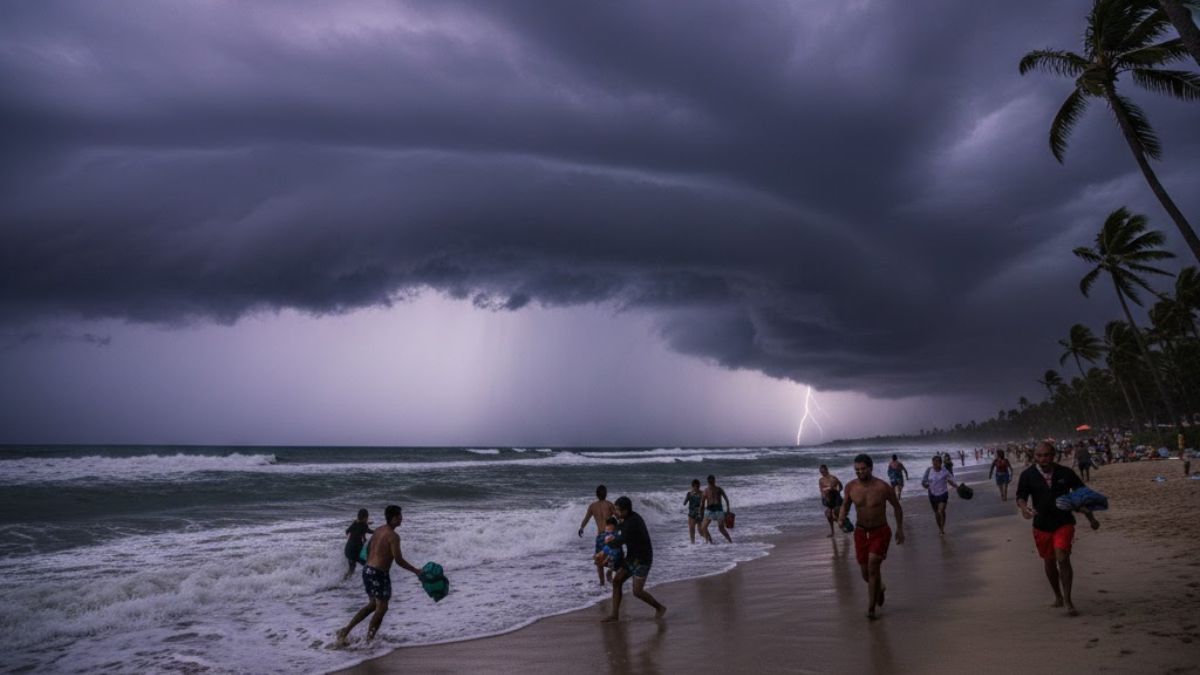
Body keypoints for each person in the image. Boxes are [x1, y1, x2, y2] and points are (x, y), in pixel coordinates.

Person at [1016, 441, 1100, 617]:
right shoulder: (1028, 475)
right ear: (1035, 457)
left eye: (1046, 455)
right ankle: (1058, 596)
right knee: (1049, 561)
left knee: (1062, 557)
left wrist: (1091, 517)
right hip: (1041, 525)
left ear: (1053, 455)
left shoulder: (1065, 473)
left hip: (1063, 522)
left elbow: (1082, 494)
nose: (1043, 459)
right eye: (1039, 456)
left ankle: (1068, 601)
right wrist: (1024, 509)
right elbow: (1021, 497)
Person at [336, 505, 421, 645]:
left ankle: (345, 631)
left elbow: (368, 548)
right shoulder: (393, 536)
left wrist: (372, 561)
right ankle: (369, 641)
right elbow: (398, 560)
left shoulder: (379, 530)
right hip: (378, 573)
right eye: (399, 516)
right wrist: (416, 571)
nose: (402, 518)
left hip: (368, 570)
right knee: (382, 608)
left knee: (372, 605)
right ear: (393, 518)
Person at [837, 454, 904, 620]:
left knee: (873, 565)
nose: (859, 472)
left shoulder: (882, 487)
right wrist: (841, 518)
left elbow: (897, 507)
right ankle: (879, 588)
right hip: (860, 533)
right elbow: (845, 505)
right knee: (865, 574)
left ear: (870, 468)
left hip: (880, 532)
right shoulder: (851, 487)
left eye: (863, 469)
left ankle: (871, 609)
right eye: (857, 470)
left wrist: (900, 529)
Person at [603, 496, 666, 622]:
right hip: (632, 557)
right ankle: (614, 615)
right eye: (616, 509)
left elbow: (619, 541)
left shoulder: (633, 522)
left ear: (626, 510)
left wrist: (609, 542)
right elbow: (618, 533)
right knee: (617, 581)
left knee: (637, 591)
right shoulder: (624, 519)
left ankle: (660, 608)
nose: (616, 512)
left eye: (618, 510)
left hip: (643, 559)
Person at [578, 485, 617, 586]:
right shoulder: (609, 505)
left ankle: (602, 583)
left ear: (596, 494)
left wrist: (581, 528)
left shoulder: (592, 506)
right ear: (606, 493)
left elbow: (586, 518)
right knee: (613, 557)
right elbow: (618, 517)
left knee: (599, 561)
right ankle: (609, 574)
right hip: (609, 535)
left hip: (599, 536)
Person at [922, 455, 960, 536]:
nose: (934, 465)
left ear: (940, 463)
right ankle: (940, 528)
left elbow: (951, 480)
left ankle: (942, 528)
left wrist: (957, 487)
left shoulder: (944, 471)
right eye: (933, 463)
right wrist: (925, 485)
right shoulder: (929, 470)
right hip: (932, 494)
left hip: (943, 493)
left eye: (936, 463)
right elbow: (924, 481)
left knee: (941, 510)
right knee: (936, 513)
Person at [342, 509, 374, 580]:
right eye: (367, 517)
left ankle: (342, 582)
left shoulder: (355, 523)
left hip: (348, 549)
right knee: (368, 564)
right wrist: (377, 531)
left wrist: (366, 524)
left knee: (351, 569)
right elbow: (368, 531)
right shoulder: (364, 526)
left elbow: (348, 531)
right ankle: (370, 580)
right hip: (355, 550)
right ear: (365, 518)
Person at [700, 474, 732, 543]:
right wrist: (701, 512)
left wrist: (728, 509)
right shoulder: (706, 491)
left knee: (721, 528)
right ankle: (710, 541)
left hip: (718, 509)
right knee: (703, 527)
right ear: (708, 481)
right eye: (711, 481)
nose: (712, 482)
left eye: (712, 481)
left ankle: (730, 541)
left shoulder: (719, 489)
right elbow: (702, 503)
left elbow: (726, 499)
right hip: (709, 510)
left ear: (714, 481)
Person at [818, 465, 845, 537]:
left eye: (823, 471)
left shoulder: (833, 478)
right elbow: (821, 490)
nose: (822, 473)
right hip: (828, 500)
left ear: (827, 470)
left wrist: (836, 490)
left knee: (835, 514)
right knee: (828, 515)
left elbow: (841, 487)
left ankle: (843, 525)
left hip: (836, 498)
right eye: (821, 472)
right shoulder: (821, 480)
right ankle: (833, 532)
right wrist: (824, 496)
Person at [684, 479, 704, 544]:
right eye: (696, 486)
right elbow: (684, 503)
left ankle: (708, 540)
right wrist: (688, 497)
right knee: (692, 530)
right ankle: (693, 545)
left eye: (698, 486)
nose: (698, 488)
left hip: (699, 513)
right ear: (693, 486)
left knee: (700, 530)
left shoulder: (702, 493)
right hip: (692, 514)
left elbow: (704, 504)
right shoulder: (689, 494)